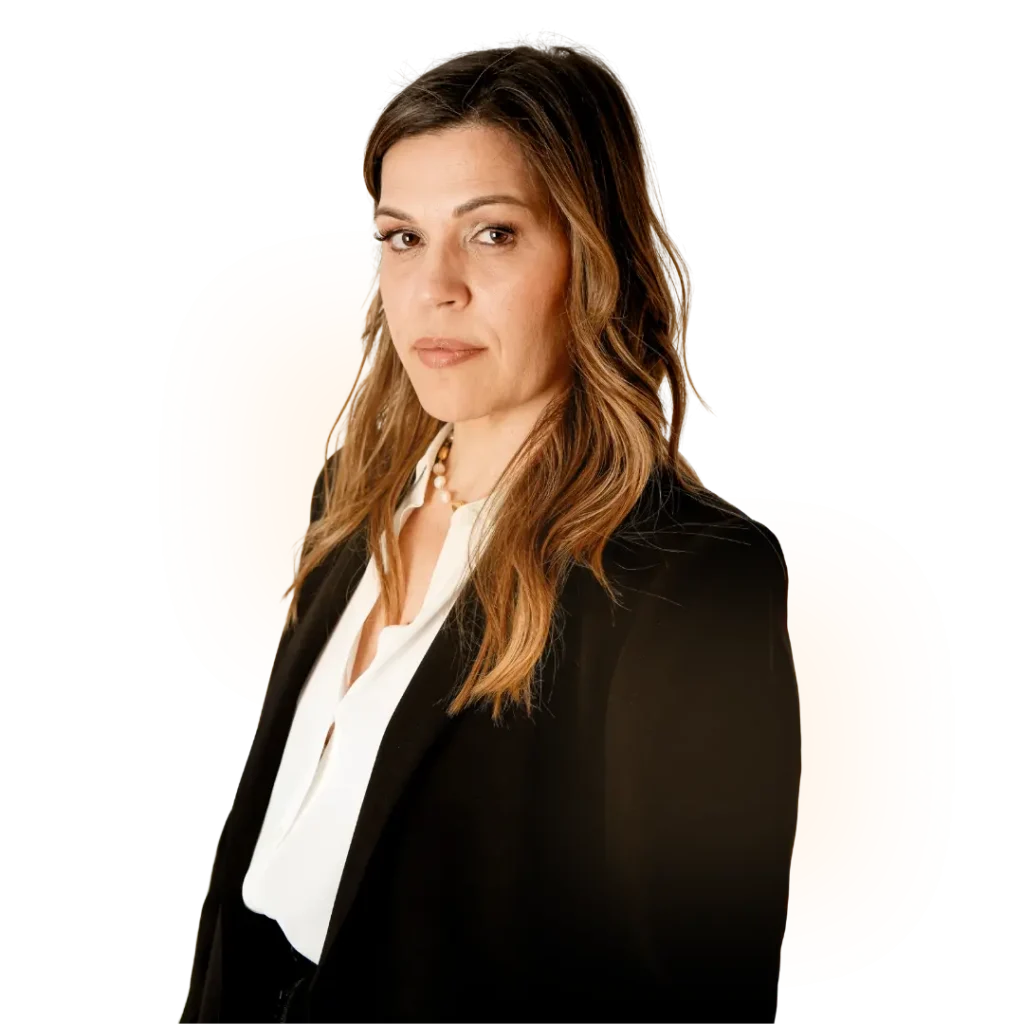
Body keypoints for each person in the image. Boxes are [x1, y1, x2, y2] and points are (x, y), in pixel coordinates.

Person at [179, 38, 802, 1023]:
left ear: (591, 257)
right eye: (402, 237)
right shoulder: (354, 502)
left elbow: (698, 1001)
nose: (437, 287)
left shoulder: (687, 576)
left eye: (494, 234)